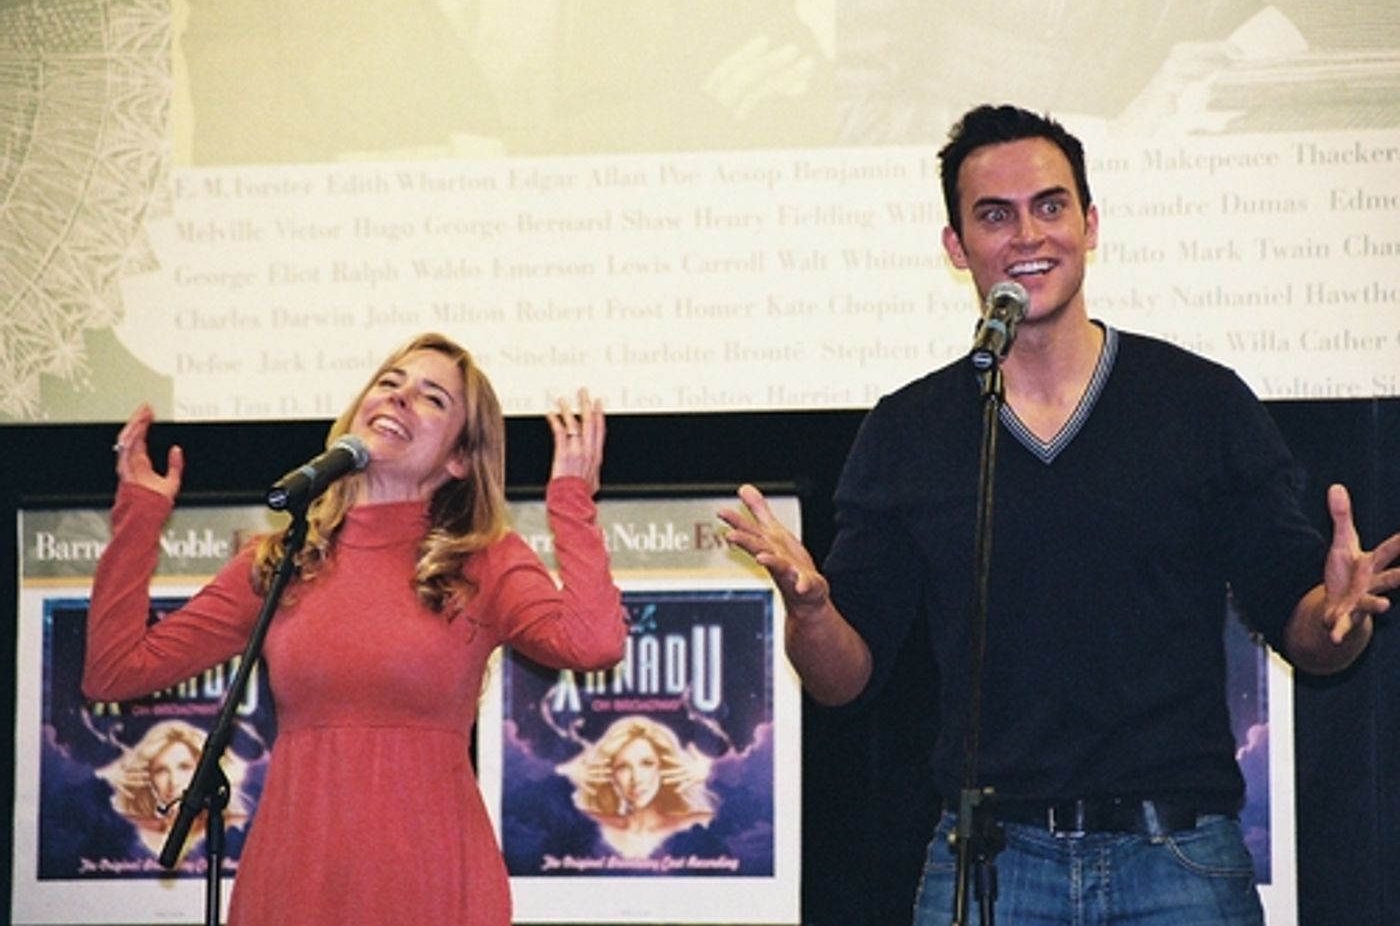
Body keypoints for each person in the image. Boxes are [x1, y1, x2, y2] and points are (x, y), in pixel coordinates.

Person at [721, 104, 1400, 924]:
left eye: (1050, 206)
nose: (1027, 236)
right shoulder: (910, 431)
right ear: (955, 246)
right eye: (994, 216)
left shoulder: (1200, 403)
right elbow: (843, 680)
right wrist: (810, 612)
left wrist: (1339, 617)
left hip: (1178, 859)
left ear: (1090, 223)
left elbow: (1307, 628)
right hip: (990, 864)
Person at [83, 331, 627, 926]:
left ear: (460, 459)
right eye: (389, 383)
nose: (398, 397)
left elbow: (593, 642)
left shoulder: (485, 559)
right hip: (296, 876)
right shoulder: (282, 561)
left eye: (432, 398)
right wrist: (140, 515)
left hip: (427, 878)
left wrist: (571, 499)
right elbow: (115, 672)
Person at [560, 715, 716, 859]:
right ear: (611, 775)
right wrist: (569, 773)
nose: (636, 778)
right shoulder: (590, 823)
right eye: (622, 767)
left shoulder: (698, 823)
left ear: (663, 767)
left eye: (646, 764)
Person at [97, 719, 245, 858]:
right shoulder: (128, 830)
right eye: (161, 770)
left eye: (184, 767)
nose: (173, 781)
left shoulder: (234, 828)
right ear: (148, 778)